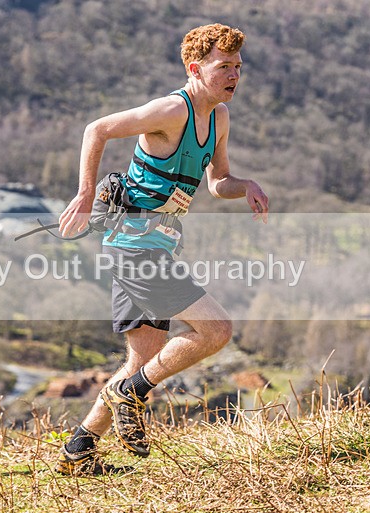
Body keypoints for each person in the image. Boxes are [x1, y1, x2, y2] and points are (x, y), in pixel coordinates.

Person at [55, 24, 269, 475]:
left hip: (157, 246)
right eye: (223, 66)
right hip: (134, 246)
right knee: (216, 330)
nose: (233, 75)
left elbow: (216, 183)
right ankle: (130, 393)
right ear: (195, 68)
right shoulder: (173, 110)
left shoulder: (220, 118)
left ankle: (80, 447)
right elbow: (98, 129)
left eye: (238, 67)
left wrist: (244, 186)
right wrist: (86, 192)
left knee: (142, 360)